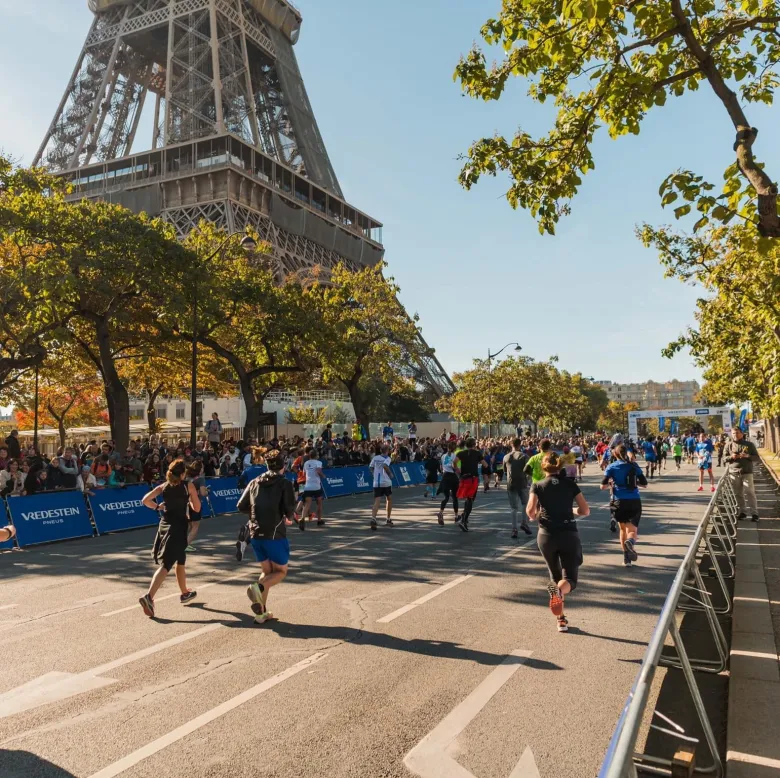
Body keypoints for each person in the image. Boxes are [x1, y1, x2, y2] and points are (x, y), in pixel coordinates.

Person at [526, 452, 589, 633]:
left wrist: (538, 514)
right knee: (569, 580)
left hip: (546, 535)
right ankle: (559, 596)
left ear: (543, 467)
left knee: (555, 578)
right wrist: (572, 510)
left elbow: (530, 512)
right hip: (568, 533)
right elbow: (585, 510)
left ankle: (561, 619)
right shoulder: (570, 484)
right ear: (560, 466)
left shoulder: (537, 485)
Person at [238, 448, 296, 624]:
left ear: (266, 464)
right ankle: (258, 587)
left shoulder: (255, 481)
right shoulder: (284, 483)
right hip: (274, 532)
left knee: (267, 571)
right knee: (280, 572)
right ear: (283, 465)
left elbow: (241, 505)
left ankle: (261, 613)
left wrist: (256, 513)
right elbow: (289, 509)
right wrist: (289, 519)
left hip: (255, 532)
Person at [138, 459, 201, 618]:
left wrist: (158, 507)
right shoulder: (188, 486)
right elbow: (197, 508)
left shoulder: (163, 486)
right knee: (167, 564)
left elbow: (145, 500)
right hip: (178, 527)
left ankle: (185, 592)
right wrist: (192, 500)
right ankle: (149, 596)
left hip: (165, 525)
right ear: (182, 474)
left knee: (181, 560)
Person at [602, 444, 648, 566]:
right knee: (632, 530)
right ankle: (631, 541)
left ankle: (626, 560)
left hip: (617, 501)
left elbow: (602, 486)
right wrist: (633, 482)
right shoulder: (634, 466)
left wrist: (612, 484)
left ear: (614, 454)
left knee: (622, 529)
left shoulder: (611, 467)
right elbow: (644, 483)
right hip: (633, 500)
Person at [722, 428, 760, 521]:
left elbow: (757, 458)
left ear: (742, 434)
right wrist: (731, 457)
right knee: (738, 493)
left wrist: (747, 456)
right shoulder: (729, 445)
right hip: (734, 472)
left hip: (747, 472)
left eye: (737, 433)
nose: (735, 435)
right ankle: (742, 512)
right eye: (733, 433)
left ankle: (754, 513)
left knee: (749, 492)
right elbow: (724, 458)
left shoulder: (749, 445)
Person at [453, 438, 489, 532]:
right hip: (473, 479)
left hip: (464, 478)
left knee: (467, 498)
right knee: (470, 499)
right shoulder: (477, 453)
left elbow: (454, 462)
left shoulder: (461, 453)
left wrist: (458, 470)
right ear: (473, 445)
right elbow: (485, 465)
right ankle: (464, 520)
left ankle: (464, 516)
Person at [504, 439, 531, 538]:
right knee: (525, 503)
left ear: (511, 445)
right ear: (520, 445)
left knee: (513, 508)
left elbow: (504, 471)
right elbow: (528, 470)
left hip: (511, 483)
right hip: (522, 483)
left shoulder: (506, 457)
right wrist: (528, 480)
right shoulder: (524, 456)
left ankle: (514, 529)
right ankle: (524, 522)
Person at [299, 449, 325, 529]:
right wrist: (323, 476)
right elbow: (318, 471)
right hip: (316, 486)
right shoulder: (319, 462)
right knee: (319, 504)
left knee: (307, 504)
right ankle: (319, 520)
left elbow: (304, 473)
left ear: (310, 456)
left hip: (308, 486)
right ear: (316, 456)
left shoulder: (306, 463)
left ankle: (302, 518)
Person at [369, 443, 394, 530]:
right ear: (387, 451)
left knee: (377, 500)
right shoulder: (387, 458)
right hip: (386, 482)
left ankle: (373, 518)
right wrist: (390, 474)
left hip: (376, 482)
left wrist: (374, 475)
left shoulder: (375, 458)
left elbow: (370, 467)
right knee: (389, 499)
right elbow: (385, 466)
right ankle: (388, 519)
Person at [185, 460, 208, 550]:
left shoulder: (187, 478)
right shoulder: (201, 479)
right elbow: (203, 493)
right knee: (195, 526)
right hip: (195, 504)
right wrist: (207, 492)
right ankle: (185, 545)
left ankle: (182, 543)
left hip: (186, 504)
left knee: (189, 525)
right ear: (200, 469)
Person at [436, 441, 459, 525]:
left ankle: (441, 512)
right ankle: (456, 516)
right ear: (454, 448)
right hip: (452, 477)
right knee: (455, 497)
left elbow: (441, 467)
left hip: (445, 477)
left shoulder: (443, 456)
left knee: (446, 497)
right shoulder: (454, 455)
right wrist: (457, 471)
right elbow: (454, 466)